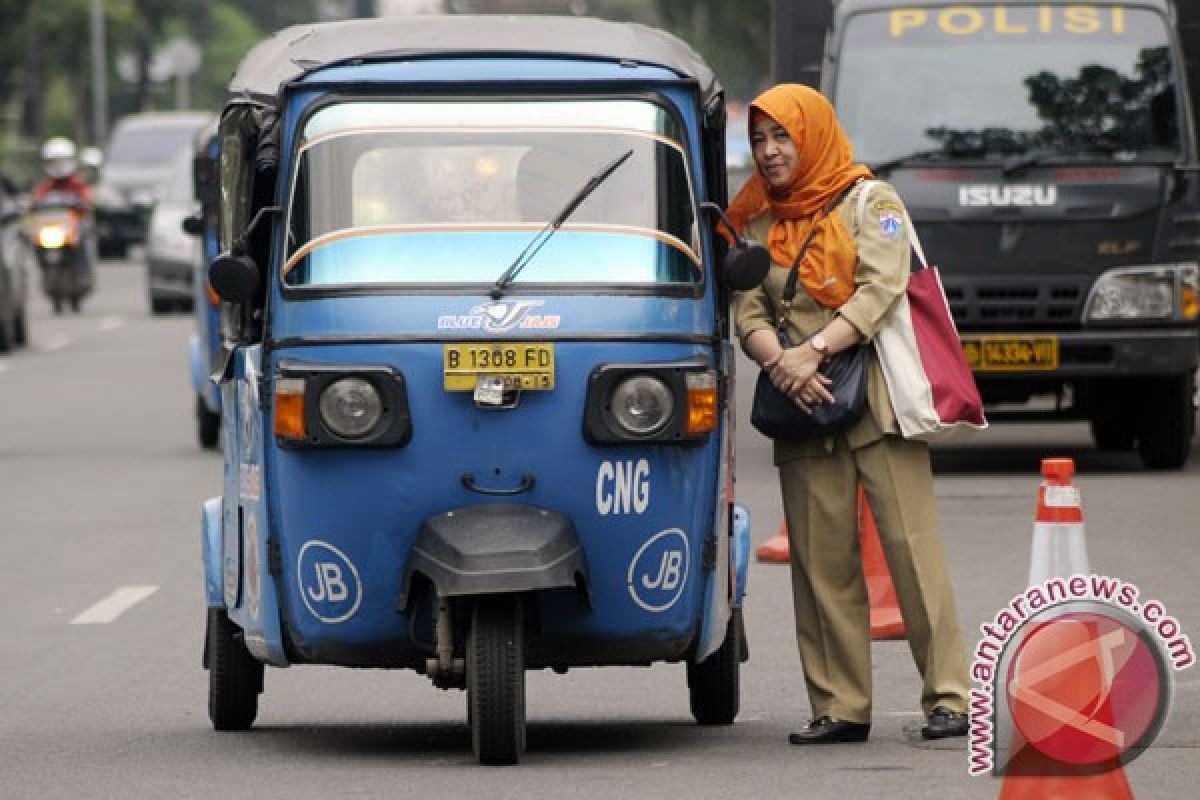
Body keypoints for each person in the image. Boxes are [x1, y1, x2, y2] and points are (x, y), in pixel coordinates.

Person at [728, 84, 971, 744]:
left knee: (911, 550)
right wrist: (783, 362)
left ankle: (950, 696)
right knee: (818, 562)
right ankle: (840, 706)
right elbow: (745, 308)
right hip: (800, 404)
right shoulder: (760, 220)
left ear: (814, 135)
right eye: (760, 139)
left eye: (783, 136)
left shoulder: (871, 201)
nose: (771, 151)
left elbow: (883, 288)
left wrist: (811, 352)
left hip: (874, 402)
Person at [32, 137, 92, 206]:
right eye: (54, 161)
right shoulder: (45, 186)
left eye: (63, 161)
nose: (59, 166)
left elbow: (88, 201)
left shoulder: (79, 186)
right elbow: (35, 200)